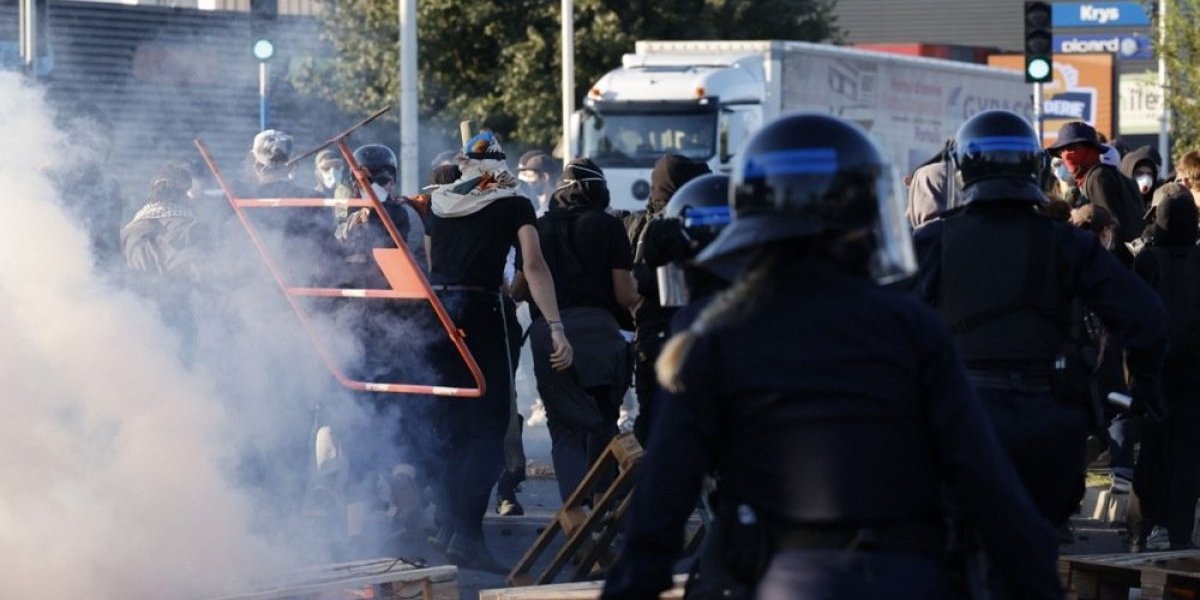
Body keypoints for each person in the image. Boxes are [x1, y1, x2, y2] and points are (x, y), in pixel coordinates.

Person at [602, 113, 1063, 600]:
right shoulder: (909, 327)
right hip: (908, 575)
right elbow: (987, 482)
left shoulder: (720, 333)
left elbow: (664, 497)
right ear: (864, 214)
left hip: (784, 578)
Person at [910, 110, 1167, 552]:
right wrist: (1144, 388)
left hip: (961, 421)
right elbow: (1146, 317)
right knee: (1039, 554)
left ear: (964, 169)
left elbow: (886, 324)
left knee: (943, 551)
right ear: (1032, 166)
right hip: (1046, 423)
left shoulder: (934, 240)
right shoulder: (1066, 242)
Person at [424, 130, 573, 572]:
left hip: (438, 316)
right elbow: (533, 264)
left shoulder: (440, 200)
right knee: (490, 430)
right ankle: (467, 536)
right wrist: (557, 325)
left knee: (449, 429)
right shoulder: (513, 202)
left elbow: (435, 260)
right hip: (482, 313)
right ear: (502, 165)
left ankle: (450, 527)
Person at [511, 158, 639, 502]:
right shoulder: (610, 226)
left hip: (549, 338)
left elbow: (519, 291)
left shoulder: (537, 227)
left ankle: (575, 514)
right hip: (601, 337)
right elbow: (624, 294)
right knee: (603, 421)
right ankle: (604, 504)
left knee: (563, 427)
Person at [624, 154, 711, 443]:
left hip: (649, 331)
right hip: (699, 328)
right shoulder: (688, 221)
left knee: (654, 421)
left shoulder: (636, 222)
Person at [1132, 183, 1200, 550]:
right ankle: (1180, 530)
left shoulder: (1146, 260)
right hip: (1194, 374)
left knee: (1153, 450)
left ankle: (1149, 527)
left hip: (1155, 372)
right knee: (1188, 454)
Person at [48, 101, 125, 271]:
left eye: (102, 137)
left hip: (96, 277)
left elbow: (112, 244)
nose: (96, 145)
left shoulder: (109, 187)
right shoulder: (46, 179)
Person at [1048, 121, 1146, 252]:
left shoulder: (1097, 178)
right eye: (1062, 151)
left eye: (1072, 149)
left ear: (1088, 149)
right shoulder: (1100, 175)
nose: (1065, 156)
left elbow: (1110, 227)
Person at [516, 150, 561, 216]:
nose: (527, 181)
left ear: (545, 177)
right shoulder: (535, 209)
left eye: (530, 176)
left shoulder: (558, 208)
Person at [1120, 145, 1163, 211]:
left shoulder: (1158, 205)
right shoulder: (1121, 204)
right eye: (1139, 173)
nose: (1145, 178)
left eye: (1149, 174)